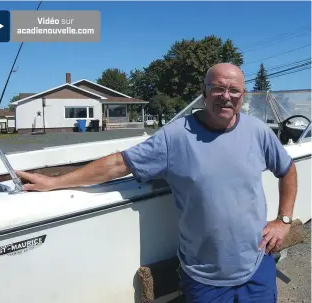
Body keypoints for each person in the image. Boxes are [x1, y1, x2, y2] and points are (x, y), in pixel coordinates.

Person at [16, 63, 297, 302]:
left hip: (257, 264)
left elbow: (287, 169)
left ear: (242, 95)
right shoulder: (174, 137)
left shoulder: (258, 131)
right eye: (217, 89)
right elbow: (118, 163)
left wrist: (283, 220)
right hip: (204, 277)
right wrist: (55, 182)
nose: (226, 96)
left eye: (233, 90)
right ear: (204, 93)